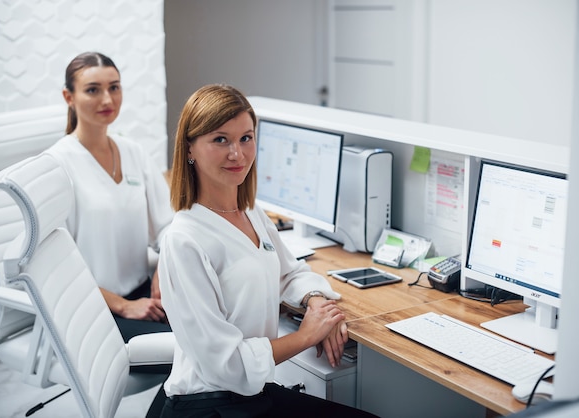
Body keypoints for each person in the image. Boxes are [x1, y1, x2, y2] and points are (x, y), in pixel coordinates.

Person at [158, 84, 379, 417]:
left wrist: (316, 302)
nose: (238, 153)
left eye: (246, 138)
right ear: (190, 148)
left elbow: (290, 272)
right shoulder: (184, 240)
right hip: (210, 404)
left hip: (251, 394)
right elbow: (226, 365)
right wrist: (307, 335)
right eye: (221, 140)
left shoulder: (249, 212)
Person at [44, 52, 174, 416]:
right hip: (93, 309)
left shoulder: (133, 152)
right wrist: (123, 305)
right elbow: (56, 270)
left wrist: (163, 268)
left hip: (145, 296)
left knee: (218, 337)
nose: (107, 100)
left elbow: (167, 226)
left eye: (114, 88)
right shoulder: (57, 165)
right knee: (192, 355)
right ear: (69, 97)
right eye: (93, 90)